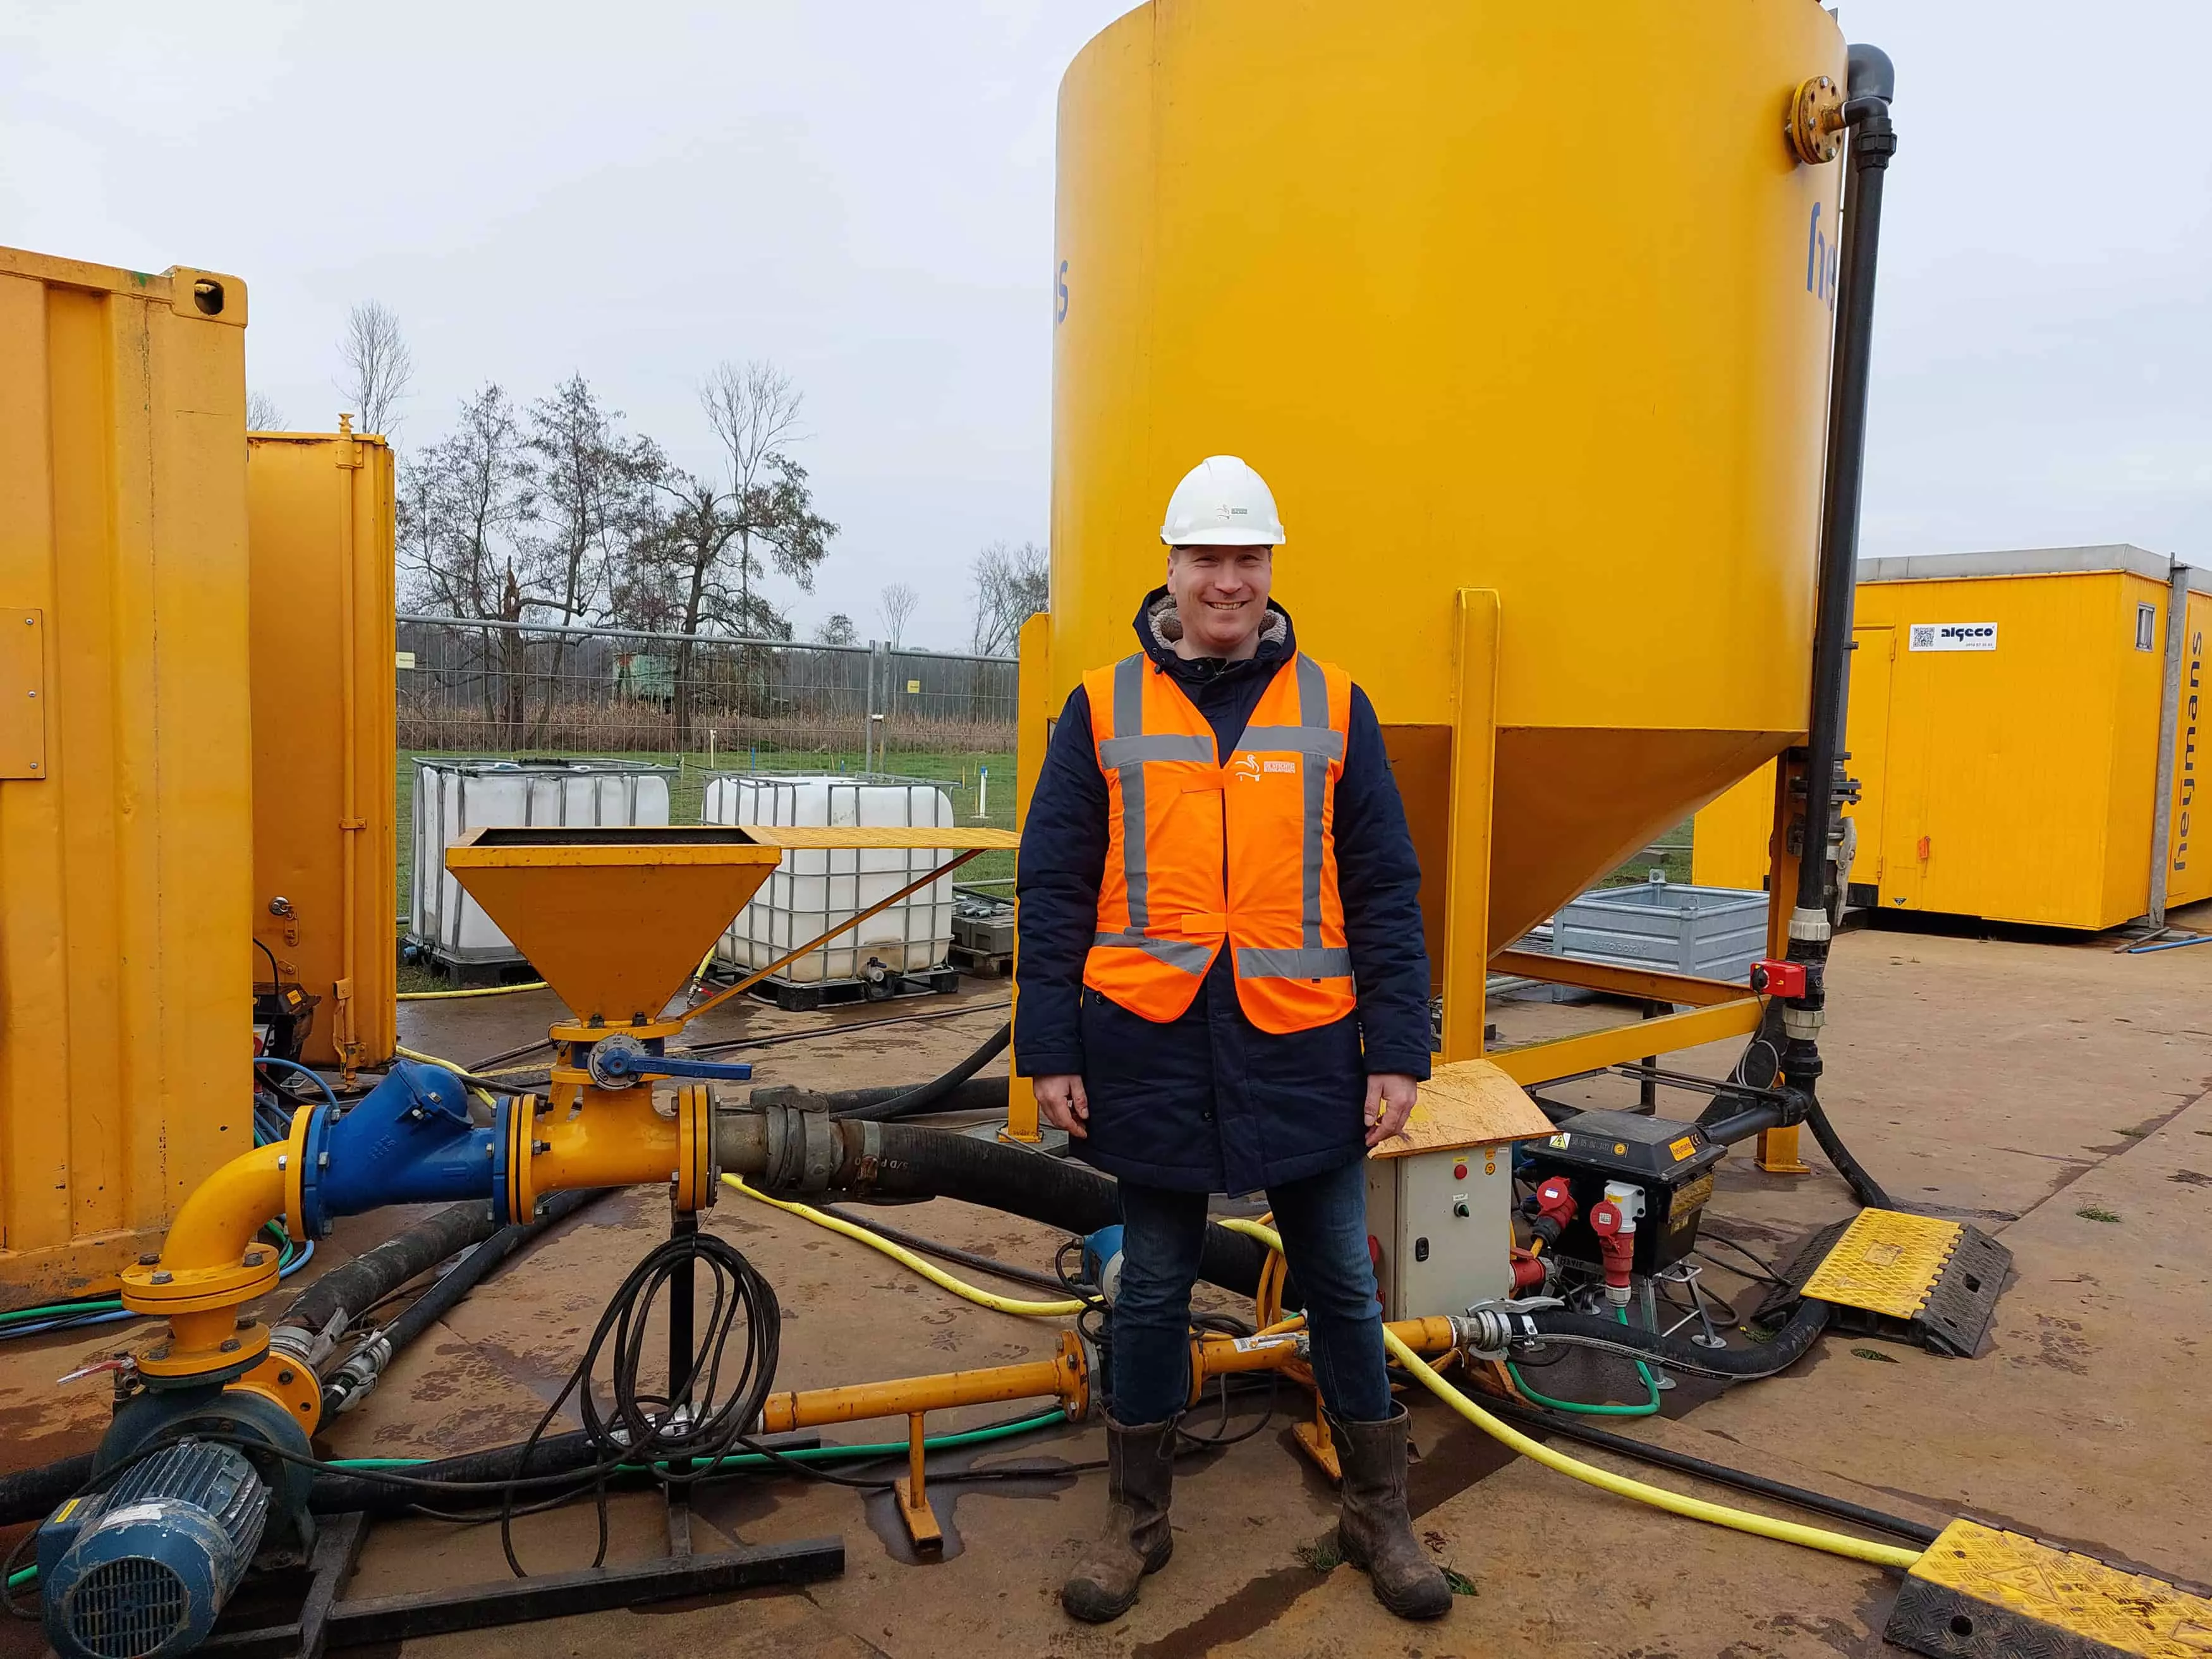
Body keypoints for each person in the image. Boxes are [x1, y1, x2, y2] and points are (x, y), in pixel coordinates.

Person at [1016, 455, 1449, 1624]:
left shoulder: (1332, 704)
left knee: (1342, 1294)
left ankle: (1378, 1511)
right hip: (1147, 1043)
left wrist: (1400, 1052)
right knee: (1153, 1288)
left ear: (1272, 569)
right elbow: (1054, 887)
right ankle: (1135, 1523)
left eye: (1248, 558)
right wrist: (1047, 1050)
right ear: (1170, 568)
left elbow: (1386, 889)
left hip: (1303, 1041)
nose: (1228, 580)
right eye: (1208, 557)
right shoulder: (1101, 706)